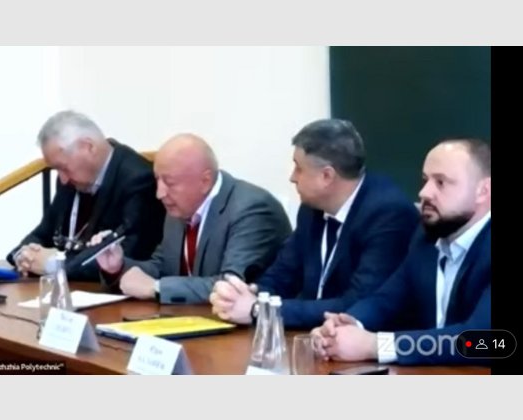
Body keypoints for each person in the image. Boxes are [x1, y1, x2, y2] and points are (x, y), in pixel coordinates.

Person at [209, 119, 419, 328]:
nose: (292, 178)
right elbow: (282, 275)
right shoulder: (312, 209)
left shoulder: (388, 214)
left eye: (298, 168)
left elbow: (357, 304)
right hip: (313, 337)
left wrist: (259, 309)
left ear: (326, 176)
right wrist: (246, 296)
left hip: (365, 341)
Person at [311, 138, 491, 365]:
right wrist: (345, 325)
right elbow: (387, 299)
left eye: (441, 182)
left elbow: (485, 341)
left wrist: (376, 345)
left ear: (483, 191)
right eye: (425, 180)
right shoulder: (427, 236)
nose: (424, 192)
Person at [90, 133, 292, 303]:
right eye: (158, 180)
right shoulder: (179, 208)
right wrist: (117, 266)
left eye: (169, 182)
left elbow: (231, 286)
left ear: (205, 181)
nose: (160, 193)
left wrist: (157, 288)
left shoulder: (252, 208)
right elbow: (162, 266)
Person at [6, 110, 165, 282]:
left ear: (89, 147)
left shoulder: (138, 179)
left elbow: (125, 255)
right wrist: (23, 255)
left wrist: (54, 264)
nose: (62, 179)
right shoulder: (70, 181)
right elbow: (43, 233)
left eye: (63, 168)